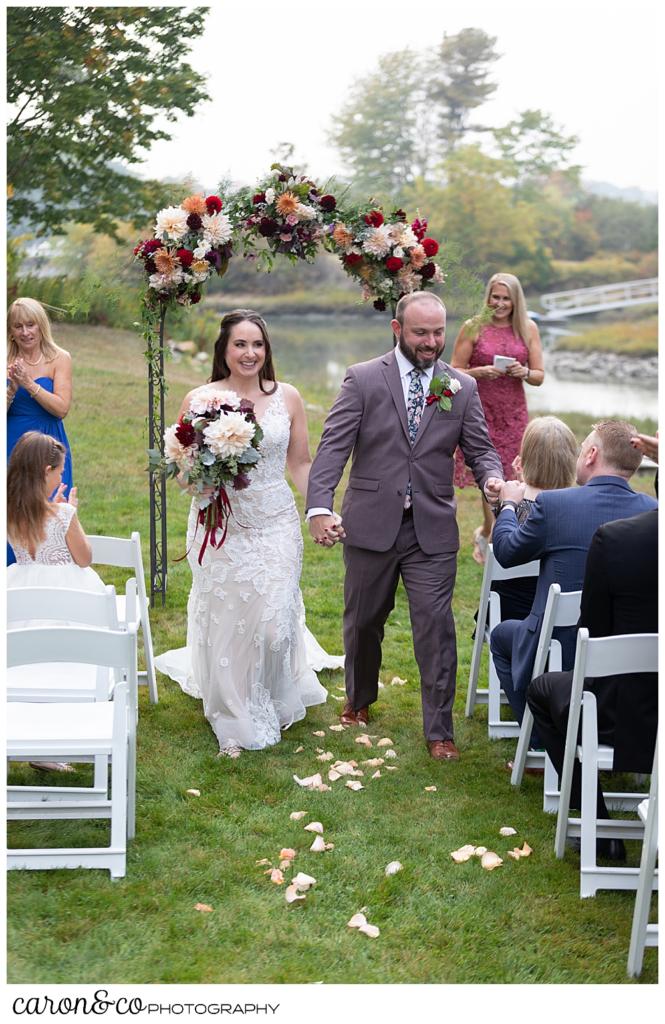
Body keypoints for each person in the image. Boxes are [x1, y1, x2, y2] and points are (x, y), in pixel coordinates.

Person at [306, 292, 504, 762]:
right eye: (421, 333)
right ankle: (358, 700)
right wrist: (319, 506)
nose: (432, 342)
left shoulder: (461, 388)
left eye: (438, 332)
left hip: (431, 529)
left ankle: (440, 731)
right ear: (397, 331)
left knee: (436, 628)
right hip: (371, 523)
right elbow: (333, 448)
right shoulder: (363, 379)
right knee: (363, 621)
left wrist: (493, 478)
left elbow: (480, 449)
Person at [154, 309, 339, 755]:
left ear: (267, 350)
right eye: (240, 344)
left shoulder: (288, 397)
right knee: (231, 624)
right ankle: (234, 717)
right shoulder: (200, 400)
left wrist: (320, 508)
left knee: (273, 625)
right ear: (224, 350)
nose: (249, 353)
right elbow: (181, 471)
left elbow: (299, 461)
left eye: (257, 344)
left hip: (275, 522)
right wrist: (200, 474)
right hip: (219, 524)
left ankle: (272, 692)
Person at [490, 420, 657, 746]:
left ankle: (538, 737)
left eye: (582, 449)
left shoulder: (556, 505)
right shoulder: (653, 512)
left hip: (557, 649)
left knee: (500, 636)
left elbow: (508, 553)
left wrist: (508, 505)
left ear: (592, 454)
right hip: (631, 660)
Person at [527, 507, 658, 860]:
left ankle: (599, 828)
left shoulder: (616, 539)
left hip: (620, 716)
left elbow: (592, 634)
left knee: (542, 690)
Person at [7, 431, 106, 774]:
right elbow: (84, 558)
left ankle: (32, 735)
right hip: (66, 593)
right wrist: (71, 514)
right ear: (47, 471)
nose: (62, 477)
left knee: (29, 664)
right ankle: (64, 735)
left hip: (22, 587)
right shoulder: (62, 513)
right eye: (60, 471)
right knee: (68, 660)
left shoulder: (10, 512)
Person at [451, 272, 544, 565]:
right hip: (480, 410)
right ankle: (490, 532)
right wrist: (479, 372)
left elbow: (539, 376)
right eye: (496, 297)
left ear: (516, 301)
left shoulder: (527, 328)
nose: (500, 303)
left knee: (513, 469)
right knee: (488, 472)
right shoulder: (473, 327)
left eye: (506, 298)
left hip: (513, 410)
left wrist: (524, 372)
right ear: (488, 297)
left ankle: (497, 531)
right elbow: (453, 369)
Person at [487, 414, 578, 625]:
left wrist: (504, 506)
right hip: (560, 615)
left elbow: (495, 553)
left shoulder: (515, 505)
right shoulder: (575, 505)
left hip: (509, 612)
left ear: (525, 458)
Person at [7, 297, 73, 565]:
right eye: (18, 326)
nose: (25, 332)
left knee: (51, 512)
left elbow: (61, 408)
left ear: (41, 325)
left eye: (30, 325)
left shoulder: (59, 358)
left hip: (48, 443)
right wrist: (10, 393)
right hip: (11, 441)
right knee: (13, 509)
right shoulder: (6, 358)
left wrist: (28, 383)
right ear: (10, 330)